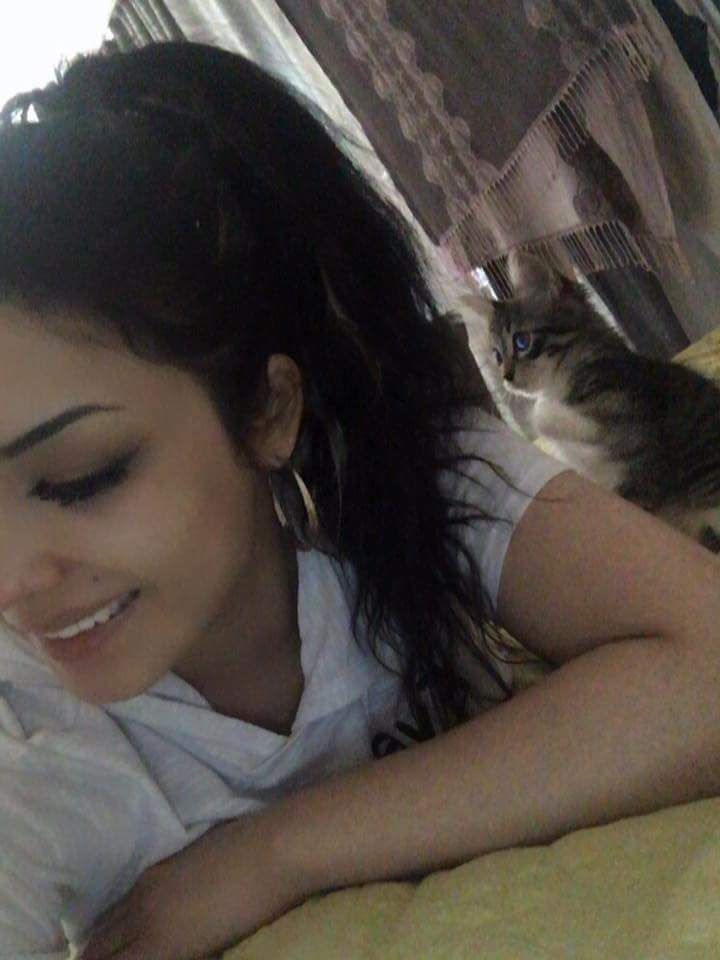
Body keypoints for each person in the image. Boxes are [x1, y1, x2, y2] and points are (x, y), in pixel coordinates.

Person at [0, 41, 718, 958]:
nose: (11, 583)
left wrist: (273, 854)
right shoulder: (29, 738)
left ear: (268, 411)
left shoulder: (403, 468)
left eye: (80, 476)